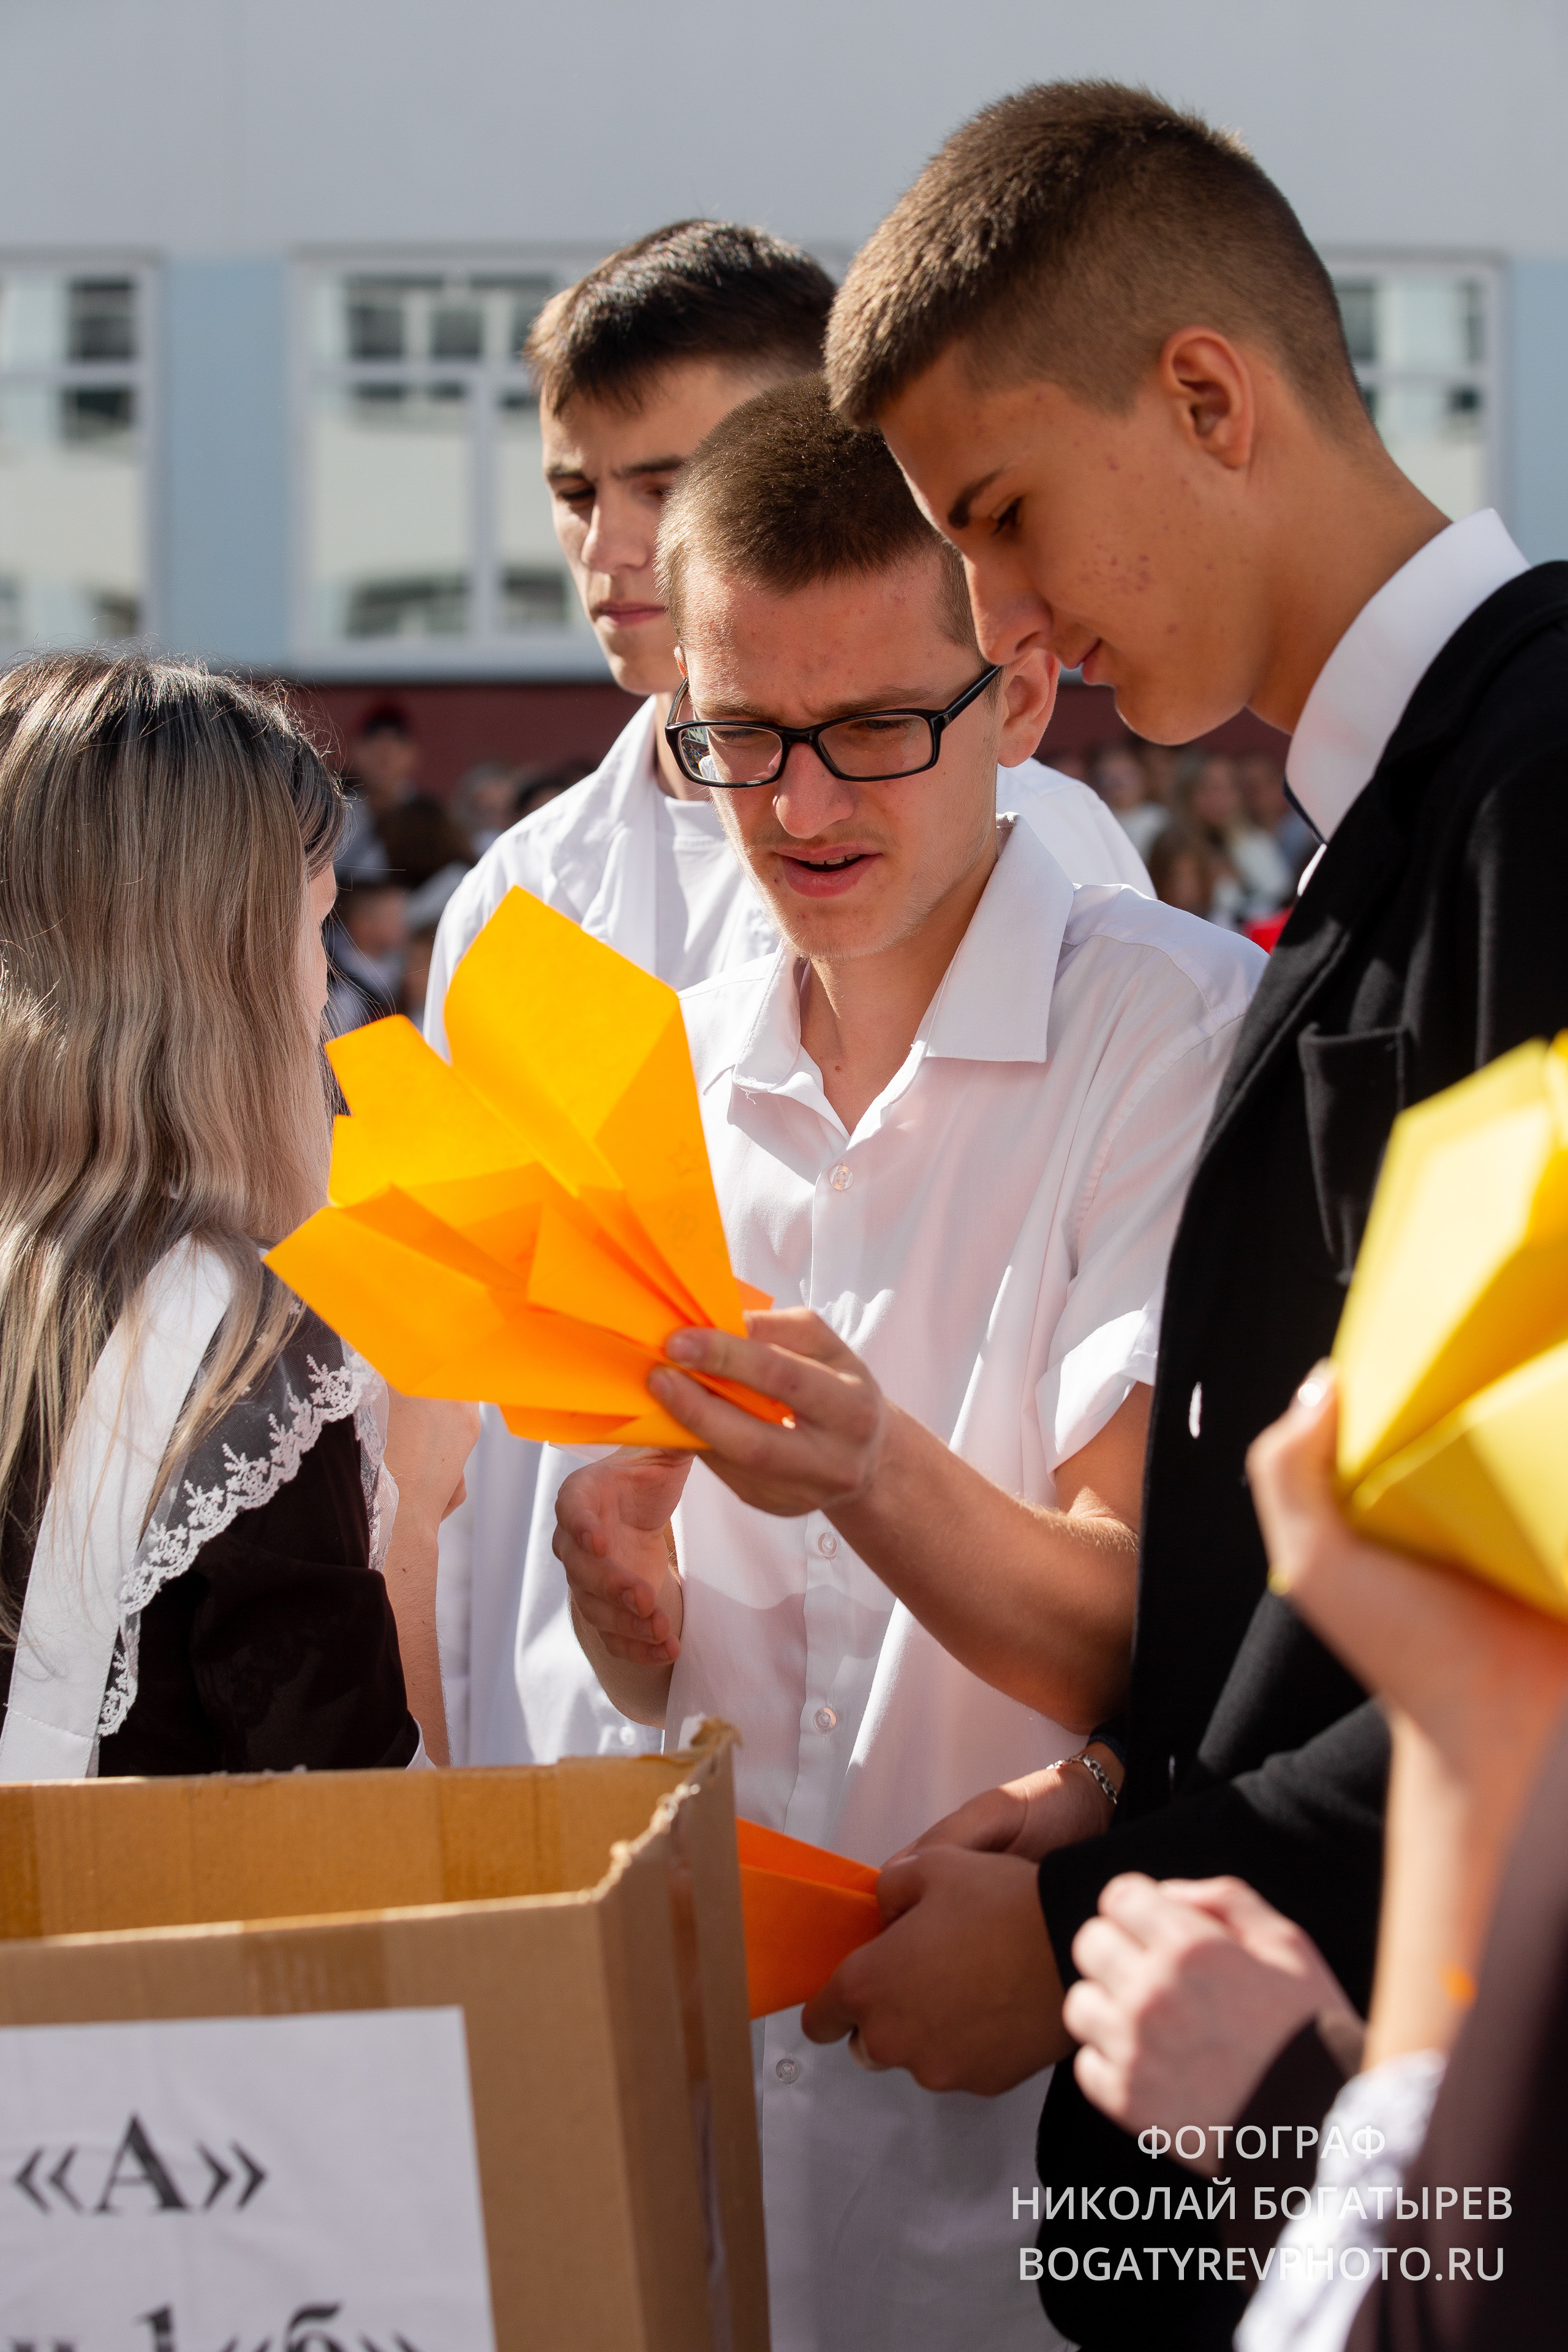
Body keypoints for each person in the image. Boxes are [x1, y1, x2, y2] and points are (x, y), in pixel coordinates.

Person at [816, 77, 1568, 2348]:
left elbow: (1530, 1607)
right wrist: (1120, 1793)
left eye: (1003, 510)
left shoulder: (1535, 796)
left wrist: (1091, 1935)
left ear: (1207, 397)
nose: (995, 616)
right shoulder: (1405, 814)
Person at [554, 374, 1261, 2352]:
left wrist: (866, 1470)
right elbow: (634, 1701)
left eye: (871, 727)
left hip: (1031, 2198)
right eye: (739, 737)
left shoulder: (1173, 1042)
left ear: (1023, 697)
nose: (796, 805)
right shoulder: (659, 1076)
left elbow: (1151, 1626)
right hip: (704, 2185)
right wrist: (632, 1626)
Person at [424, 219, 1150, 1771]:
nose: (617, 542)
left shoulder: (1094, 928)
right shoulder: (523, 910)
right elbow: (467, 1431)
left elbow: (1142, 1571)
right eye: (575, 489)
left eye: (672, 482)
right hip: (604, 1778)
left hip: (970, 1815)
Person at [0, 654, 474, 1781]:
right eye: (310, 926)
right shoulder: (246, 1340)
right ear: (227, 970)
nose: (327, 985)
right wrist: (405, 1509)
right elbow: (368, 1865)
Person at [1175, 752, 1294, 924]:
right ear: (1188, 794)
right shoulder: (1176, 849)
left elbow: (1281, 895)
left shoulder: (1255, 842)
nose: (1217, 798)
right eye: (1208, 788)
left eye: (1226, 788)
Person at [325, 861, 408, 1035]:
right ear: (363, 925)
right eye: (393, 918)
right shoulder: (345, 996)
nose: (404, 925)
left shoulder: (399, 963)